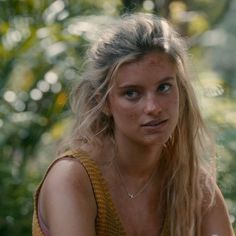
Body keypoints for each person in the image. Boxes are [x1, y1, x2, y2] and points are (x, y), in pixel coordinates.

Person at [32, 13, 234, 236]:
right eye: (131, 93)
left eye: (164, 88)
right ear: (104, 102)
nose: (153, 107)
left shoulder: (194, 189)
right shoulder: (73, 179)